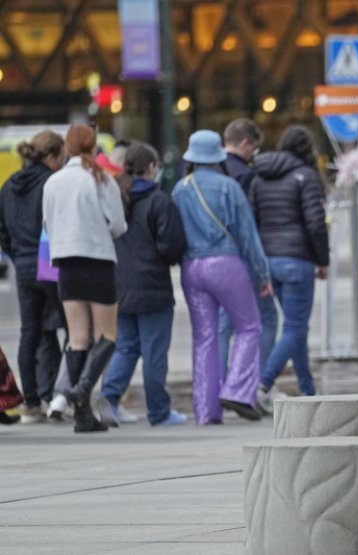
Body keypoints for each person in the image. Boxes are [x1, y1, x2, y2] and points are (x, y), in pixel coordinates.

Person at [172, 130, 271, 425]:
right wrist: (262, 273)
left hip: (192, 267)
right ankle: (238, 391)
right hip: (226, 263)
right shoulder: (229, 187)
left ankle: (206, 410)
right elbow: (248, 236)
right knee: (249, 326)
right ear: (217, 156)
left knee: (205, 337)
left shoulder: (180, 189)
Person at [42, 124, 128, 433]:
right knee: (107, 335)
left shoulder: (53, 181)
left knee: (77, 338)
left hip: (65, 261)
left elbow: (48, 224)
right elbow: (118, 225)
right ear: (93, 148)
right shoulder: (101, 178)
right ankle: (83, 389)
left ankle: (82, 414)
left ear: (67, 148)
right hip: (98, 260)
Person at [97, 142, 189, 427]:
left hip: (119, 286)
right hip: (152, 288)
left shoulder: (115, 196)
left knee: (126, 347)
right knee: (154, 352)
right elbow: (171, 247)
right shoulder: (159, 201)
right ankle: (159, 412)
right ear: (151, 168)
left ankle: (109, 397)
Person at [249, 125, 329, 410]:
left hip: (269, 261)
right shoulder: (305, 176)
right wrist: (323, 260)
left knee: (297, 327)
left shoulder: (259, 178)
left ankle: (308, 389)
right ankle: (262, 384)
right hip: (298, 261)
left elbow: (253, 222)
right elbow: (315, 224)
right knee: (295, 327)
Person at [0, 130, 66, 423]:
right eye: (62, 157)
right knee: (71, 329)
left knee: (30, 332)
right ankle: (62, 395)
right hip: (49, 262)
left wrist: (16, 254)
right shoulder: (52, 183)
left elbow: (2, 231)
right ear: (51, 157)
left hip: (23, 265)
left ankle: (32, 401)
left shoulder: (8, 185)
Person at [219, 118, 277, 381]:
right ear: (244, 143)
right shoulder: (245, 176)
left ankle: (219, 381)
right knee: (265, 319)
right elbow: (249, 224)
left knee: (222, 326)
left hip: (212, 256)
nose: (254, 154)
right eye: (253, 148)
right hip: (242, 258)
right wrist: (260, 269)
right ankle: (256, 382)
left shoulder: (212, 171)